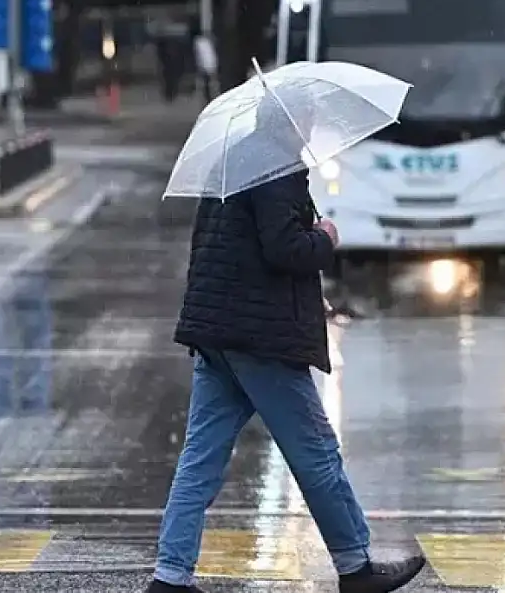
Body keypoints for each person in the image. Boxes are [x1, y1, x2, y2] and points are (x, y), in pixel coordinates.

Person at [147, 94, 427, 593]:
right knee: (316, 451)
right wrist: (325, 237)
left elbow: (230, 252)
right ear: (292, 120)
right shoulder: (276, 167)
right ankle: (355, 566)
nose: (312, 127)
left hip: (219, 333)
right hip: (260, 342)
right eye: (309, 118)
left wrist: (300, 299)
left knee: (200, 459)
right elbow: (284, 248)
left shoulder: (231, 160)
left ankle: (170, 577)